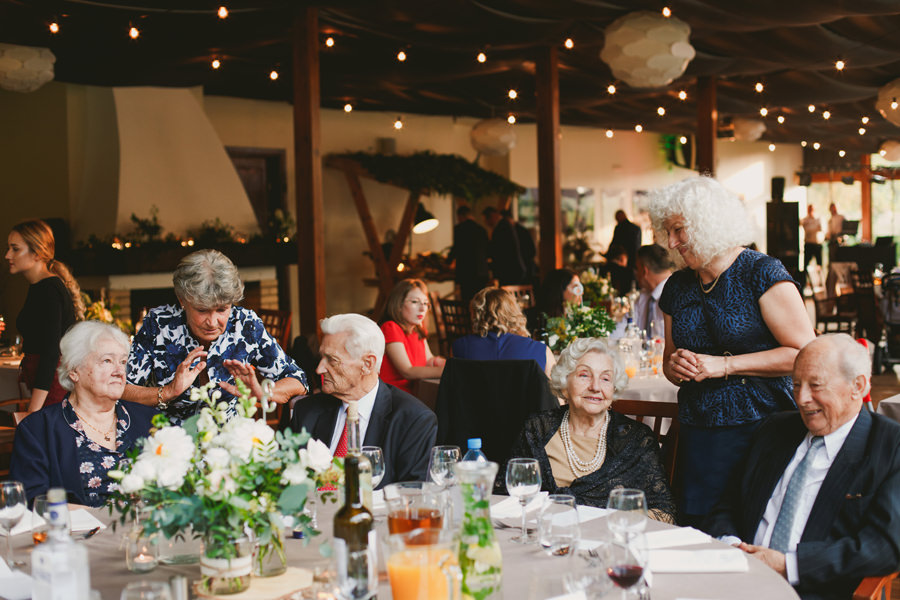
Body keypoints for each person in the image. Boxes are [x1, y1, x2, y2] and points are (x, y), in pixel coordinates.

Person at [650, 176, 815, 524]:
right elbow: (668, 363)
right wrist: (676, 366)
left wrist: (724, 365)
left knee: (751, 525)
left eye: (679, 230)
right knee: (699, 529)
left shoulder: (760, 273)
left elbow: (804, 353)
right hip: (698, 429)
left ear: (707, 223)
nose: (672, 242)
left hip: (763, 425)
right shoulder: (676, 286)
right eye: (667, 232)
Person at [704, 334, 900, 600]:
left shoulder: (889, 446)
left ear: (858, 386)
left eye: (815, 385)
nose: (802, 398)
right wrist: (732, 546)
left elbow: (884, 546)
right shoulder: (775, 429)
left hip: (811, 590)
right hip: (737, 579)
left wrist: (788, 566)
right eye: (796, 385)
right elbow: (728, 503)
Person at [124, 249, 307, 425]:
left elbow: (297, 380)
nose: (212, 322)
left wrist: (261, 392)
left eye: (221, 309)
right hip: (170, 437)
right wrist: (168, 392)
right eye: (202, 310)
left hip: (229, 435)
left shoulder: (245, 325)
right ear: (182, 300)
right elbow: (121, 388)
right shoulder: (158, 325)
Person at [506, 338, 675, 520]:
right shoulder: (536, 429)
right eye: (584, 375)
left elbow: (665, 512)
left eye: (605, 379)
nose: (595, 387)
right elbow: (507, 496)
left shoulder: (637, 440)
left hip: (609, 535)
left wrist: (617, 521)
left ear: (613, 389)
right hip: (543, 532)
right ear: (564, 384)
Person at [10, 321, 157, 506]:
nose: (120, 371)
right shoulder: (37, 430)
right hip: (77, 525)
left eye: (123, 362)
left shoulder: (150, 421)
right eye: (107, 361)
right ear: (73, 370)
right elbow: (33, 500)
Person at [290, 313, 437, 485]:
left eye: (332, 360)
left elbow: (413, 493)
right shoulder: (307, 411)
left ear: (367, 364)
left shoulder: (413, 420)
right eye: (321, 357)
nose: (319, 369)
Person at [6, 220, 85, 412]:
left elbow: (51, 353)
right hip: (44, 385)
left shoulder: (50, 289)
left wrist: (34, 409)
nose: (7, 255)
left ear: (37, 253)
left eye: (15, 249)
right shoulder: (39, 287)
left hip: (54, 388)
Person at [452, 287, 556, 377]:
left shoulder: (459, 347)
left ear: (475, 314)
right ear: (514, 312)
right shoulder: (541, 350)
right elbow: (555, 393)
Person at [378, 279, 445, 394]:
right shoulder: (390, 327)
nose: (422, 309)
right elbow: (407, 371)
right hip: (393, 395)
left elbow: (429, 360)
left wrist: (447, 364)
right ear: (398, 304)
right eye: (415, 302)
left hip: (414, 392)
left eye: (425, 303)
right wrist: (446, 371)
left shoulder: (418, 330)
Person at [449, 205, 489, 305]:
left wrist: (448, 261)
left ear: (460, 216)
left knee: (467, 302)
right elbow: (488, 251)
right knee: (481, 301)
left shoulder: (459, 229)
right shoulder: (481, 229)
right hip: (481, 272)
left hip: (466, 272)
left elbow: (456, 248)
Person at [526, 268, 582, 338]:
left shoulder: (575, 318)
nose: (581, 292)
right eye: (576, 287)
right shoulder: (538, 321)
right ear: (560, 290)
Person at [634, 244, 674, 339]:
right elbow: (625, 325)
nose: (636, 274)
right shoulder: (644, 296)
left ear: (644, 271)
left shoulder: (675, 296)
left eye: (637, 269)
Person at [483, 206, 526, 285]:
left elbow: (497, 253)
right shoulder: (505, 225)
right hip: (514, 269)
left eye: (486, 219)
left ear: (492, 216)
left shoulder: (501, 227)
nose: (486, 223)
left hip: (510, 270)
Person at [801, 204, 822, 272]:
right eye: (809, 209)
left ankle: (820, 277)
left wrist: (810, 229)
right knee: (806, 264)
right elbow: (806, 229)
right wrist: (814, 228)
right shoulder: (805, 220)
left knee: (819, 264)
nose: (810, 210)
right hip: (808, 244)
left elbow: (820, 229)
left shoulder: (817, 219)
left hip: (816, 244)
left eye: (811, 209)